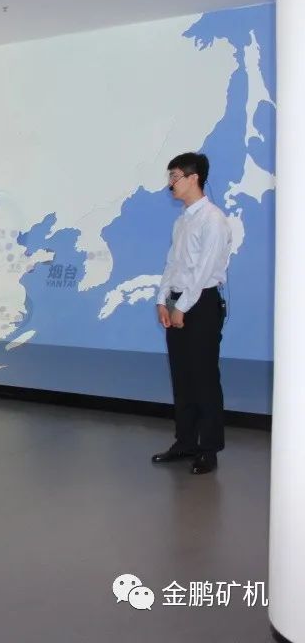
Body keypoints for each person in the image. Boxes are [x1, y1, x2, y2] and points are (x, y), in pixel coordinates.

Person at [152, 152, 232, 475]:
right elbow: (173, 264)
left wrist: (182, 307)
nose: (170, 183)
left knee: (204, 378)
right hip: (179, 301)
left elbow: (204, 271)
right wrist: (163, 300)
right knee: (182, 377)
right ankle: (185, 442)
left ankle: (208, 449)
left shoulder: (213, 219)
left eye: (174, 176)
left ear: (193, 177)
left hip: (202, 304)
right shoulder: (182, 220)